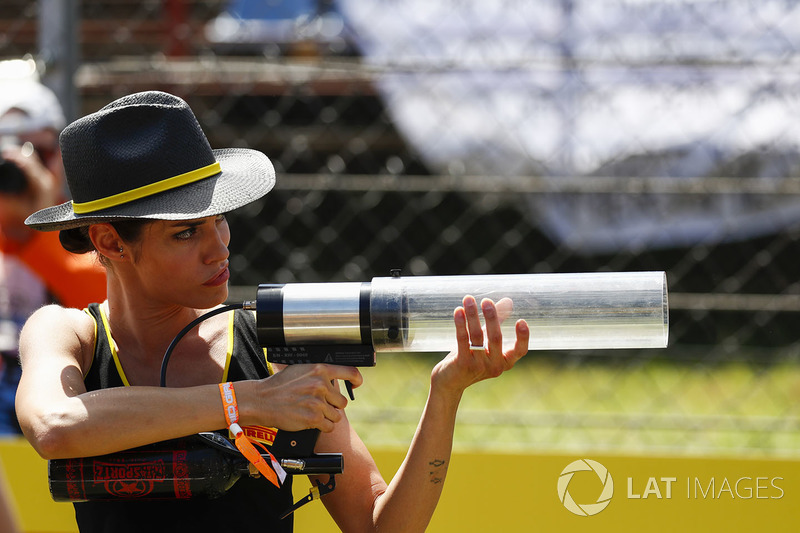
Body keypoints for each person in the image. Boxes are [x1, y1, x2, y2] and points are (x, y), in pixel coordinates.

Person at [14, 91, 529, 532]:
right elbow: (57, 427)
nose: (218, 248)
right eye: (186, 232)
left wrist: (445, 394)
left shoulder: (271, 345)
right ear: (110, 241)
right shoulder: (67, 333)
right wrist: (249, 402)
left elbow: (378, 524)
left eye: (221, 222)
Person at [0, 59, 106, 434]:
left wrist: (40, 228)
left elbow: (106, 295)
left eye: (36, 151)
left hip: (64, 388)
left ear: (61, 155)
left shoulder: (89, 229)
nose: (21, 170)